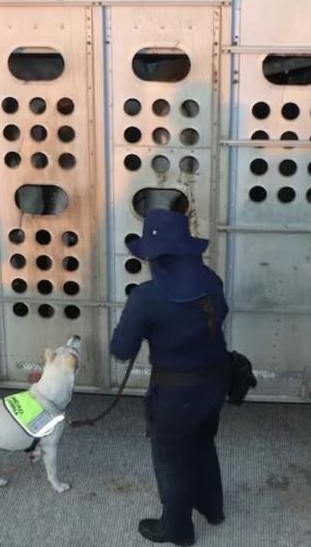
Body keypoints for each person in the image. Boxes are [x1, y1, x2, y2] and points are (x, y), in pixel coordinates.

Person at [110, 209, 230, 546]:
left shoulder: (147, 296)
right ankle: (213, 508)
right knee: (203, 444)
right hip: (216, 381)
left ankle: (177, 530)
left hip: (176, 394)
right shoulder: (211, 280)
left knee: (172, 460)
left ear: (155, 256)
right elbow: (222, 314)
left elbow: (120, 349)